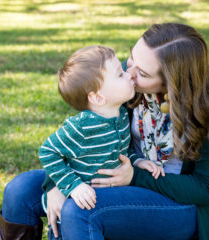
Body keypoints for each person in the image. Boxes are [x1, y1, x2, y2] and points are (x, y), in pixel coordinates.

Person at [0, 23, 209, 240]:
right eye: (131, 58)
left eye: (142, 73)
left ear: (171, 83)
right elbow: (79, 134)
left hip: (178, 204)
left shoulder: (208, 106)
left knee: (80, 210)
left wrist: (134, 176)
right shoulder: (127, 79)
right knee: (20, 190)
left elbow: (206, 190)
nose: (129, 72)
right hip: (116, 176)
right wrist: (57, 184)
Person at [38, 45, 165, 238]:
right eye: (120, 74)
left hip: (102, 201)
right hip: (74, 205)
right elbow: (48, 151)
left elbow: (118, 150)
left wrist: (136, 161)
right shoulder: (81, 127)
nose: (129, 75)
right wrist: (72, 186)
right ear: (98, 97)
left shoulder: (121, 114)